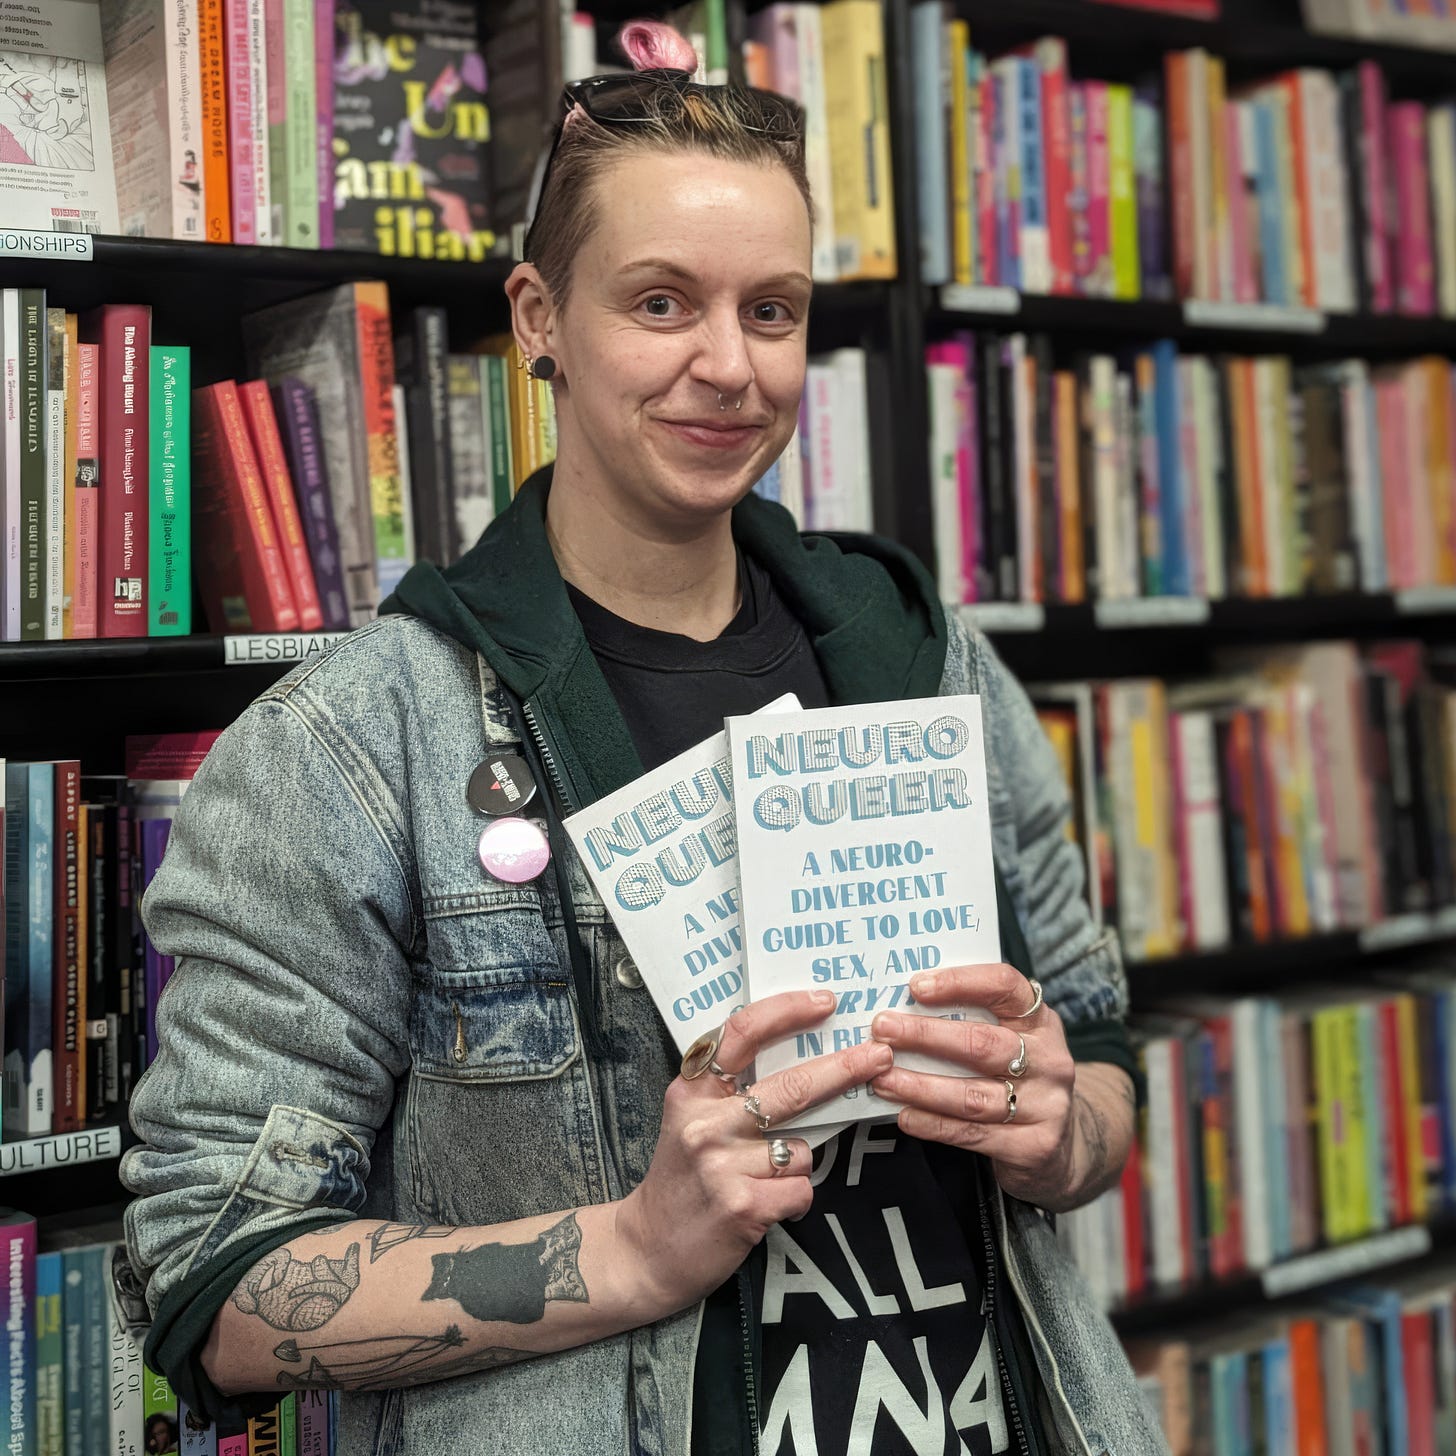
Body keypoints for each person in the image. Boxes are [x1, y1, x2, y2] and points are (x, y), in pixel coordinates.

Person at [122, 20, 1166, 1456]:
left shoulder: (930, 663)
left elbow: (1103, 1055)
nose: (730, 368)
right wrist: (633, 1248)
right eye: (661, 303)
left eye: (775, 311)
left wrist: (1065, 1134)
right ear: (539, 318)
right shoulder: (351, 748)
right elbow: (213, 1281)